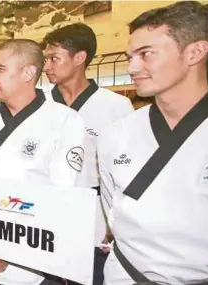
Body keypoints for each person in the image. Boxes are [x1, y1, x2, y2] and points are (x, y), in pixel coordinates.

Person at [98, 2, 208, 284]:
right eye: (130, 56)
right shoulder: (115, 134)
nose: (132, 67)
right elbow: (112, 209)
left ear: (195, 52)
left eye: (146, 54)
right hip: (126, 275)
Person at [0, 39, 85, 285]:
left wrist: (11, 246)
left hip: (34, 254)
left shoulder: (64, 121)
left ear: (29, 72)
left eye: (0, 69)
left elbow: (60, 196)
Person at [41, 23, 134, 285]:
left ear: (79, 58)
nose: (46, 66)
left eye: (54, 58)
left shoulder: (115, 106)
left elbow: (125, 172)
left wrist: (113, 222)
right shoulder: (38, 102)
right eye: (45, 59)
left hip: (94, 215)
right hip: (43, 210)